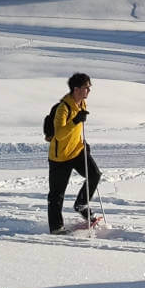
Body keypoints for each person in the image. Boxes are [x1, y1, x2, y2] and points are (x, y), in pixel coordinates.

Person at [47, 73, 101, 234]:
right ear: (76, 89)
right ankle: (56, 228)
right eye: (86, 87)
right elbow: (60, 134)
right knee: (57, 195)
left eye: (89, 87)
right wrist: (76, 120)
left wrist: (83, 143)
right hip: (60, 157)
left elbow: (75, 131)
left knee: (95, 175)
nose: (89, 90)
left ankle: (81, 204)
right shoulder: (64, 108)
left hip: (77, 151)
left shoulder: (82, 104)